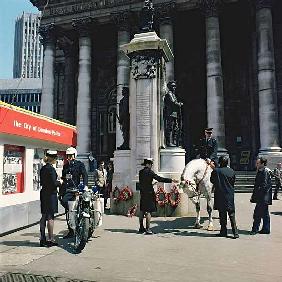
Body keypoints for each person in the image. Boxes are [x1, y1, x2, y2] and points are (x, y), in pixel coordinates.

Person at [138, 158, 179, 235]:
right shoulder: (150, 172)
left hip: (143, 193)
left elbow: (143, 182)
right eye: (151, 164)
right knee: (148, 211)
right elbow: (160, 179)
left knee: (142, 210)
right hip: (149, 193)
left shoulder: (140, 172)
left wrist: (150, 184)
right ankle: (148, 229)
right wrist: (171, 180)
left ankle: (141, 227)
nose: (151, 166)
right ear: (148, 164)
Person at [60, 147, 88, 239]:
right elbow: (63, 179)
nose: (69, 158)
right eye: (67, 156)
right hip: (68, 190)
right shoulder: (65, 166)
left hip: (76, 190)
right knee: (66, 206)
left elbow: (84, 175)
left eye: (70, 156)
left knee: (78, 208)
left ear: (74, 156)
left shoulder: (79, 164)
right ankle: (71, 231)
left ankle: (79, 222)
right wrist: (61, 191)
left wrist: (85, 185)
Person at [210, 156, 239, 239]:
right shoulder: (231, 171)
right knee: (232, 214)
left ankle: (223, 231)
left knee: (222, 215)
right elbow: (233, 181)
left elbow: (212, 180)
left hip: (220, 195)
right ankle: (235, 232)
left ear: (220, 162)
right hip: (229, 195)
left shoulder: (216, 171)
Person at [39, 150, 63, 247]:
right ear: (53, 158)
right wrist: (60, 182)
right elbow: (53, 183)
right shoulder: (51, 169)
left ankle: (42, 238)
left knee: (44, 216)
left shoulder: (43, 168)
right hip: (51, 195)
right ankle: (50, 239)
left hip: (44, 193)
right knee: (50, 217)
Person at [250, 157, 272, 235]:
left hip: (263, 197)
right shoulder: (261, 171)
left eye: (258, 163)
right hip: (263, 197)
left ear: (262, 164)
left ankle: (255, 229)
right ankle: (266, 229)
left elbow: (264, 185)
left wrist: (258, 193)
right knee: (265, 214)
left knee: (257, 213)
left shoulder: (265, 172)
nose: (256, 164)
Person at [163, 81, 183, 147]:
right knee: (170, 127)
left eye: (175, 86)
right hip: (170, 113)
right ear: (169, 87)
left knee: (175, 127)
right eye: (173, 86)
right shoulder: (169, 94)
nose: (174, 87)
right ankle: (169, 142)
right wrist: (179, 104)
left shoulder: (173, 94)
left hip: (174, 113)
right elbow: (173, 102)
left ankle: (174, 142)